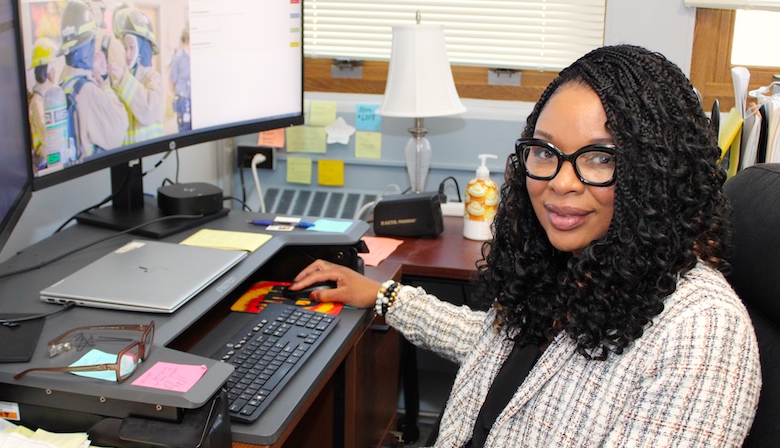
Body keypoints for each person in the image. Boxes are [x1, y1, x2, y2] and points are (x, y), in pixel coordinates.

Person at [291, 44, 761, 447]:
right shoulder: (578, 262)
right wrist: (385, 296)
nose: (561, 182)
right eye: (545, 151)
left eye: (600, 158)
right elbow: (498, 349)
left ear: (658, 171)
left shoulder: (703, 332)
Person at [58, 0, 128, 159]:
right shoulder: (88, 90)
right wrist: (104, 84)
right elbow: (120, 125)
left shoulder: (63, 85)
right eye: (92, 41)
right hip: (92, 173)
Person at [108, 7, 164, 144]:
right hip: (128, 155)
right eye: (125, 47)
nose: (127, 54)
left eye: (132, 47)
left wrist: (123, 79)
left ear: (142, 48)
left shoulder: (153, 78)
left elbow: (148, 112)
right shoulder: (123, 82)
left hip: (151, 155)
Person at [27, 37, 60, 170]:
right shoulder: (37, 101)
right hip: (46, 163)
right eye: (52, 68)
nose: (54, 72)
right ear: (46, 71)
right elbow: (48, 137)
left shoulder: (46, 97)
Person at [169, 26, 191, 132]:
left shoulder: (196, 56)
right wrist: (177, 99)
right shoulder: (179, 58)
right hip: (183, 101)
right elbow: (171, 83)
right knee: (185, 132)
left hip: (195, 101)